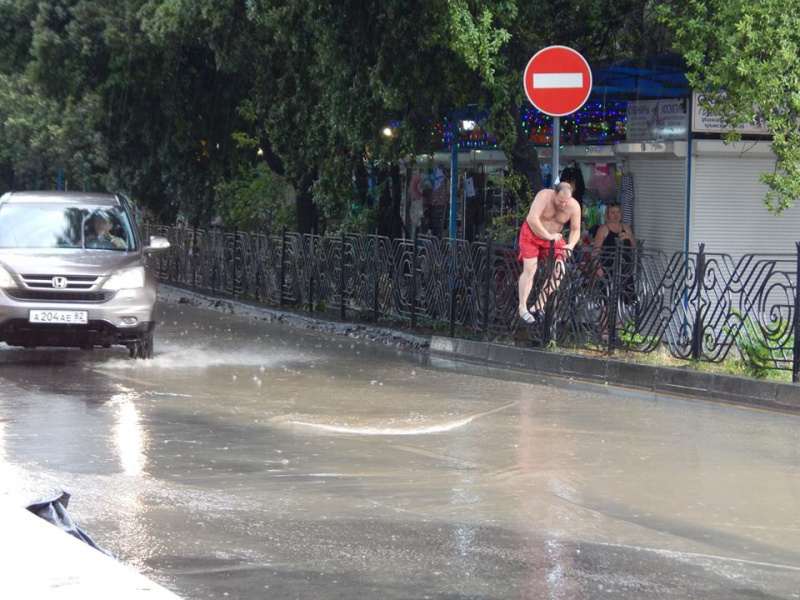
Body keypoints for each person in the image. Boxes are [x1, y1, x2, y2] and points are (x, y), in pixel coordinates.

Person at [517, 182, 582, 324]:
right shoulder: (544, 195)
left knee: (560, 270)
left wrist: (570, 245)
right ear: (554, 193)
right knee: (530, 268)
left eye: (566, 202)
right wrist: (547, 235)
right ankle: (522, 307)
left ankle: (538, 305)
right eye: (560, 201)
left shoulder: (574, 206)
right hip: (532, 234)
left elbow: (575, 230)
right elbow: (532, 218)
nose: (563, 205)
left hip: (553, 238)